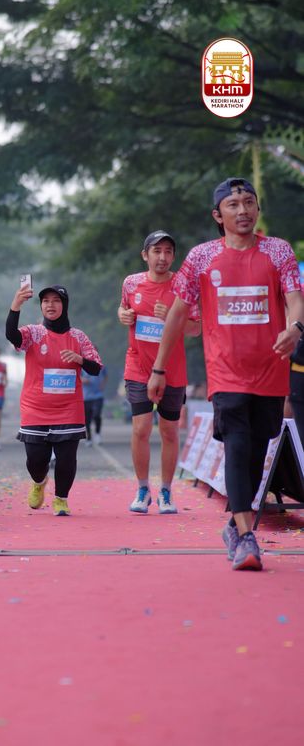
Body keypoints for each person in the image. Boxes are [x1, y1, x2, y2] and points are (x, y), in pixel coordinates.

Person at [147, 177, 304, 571]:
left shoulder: (278, 251)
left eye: (249, 202)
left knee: (256, 449)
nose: (243, 210)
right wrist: (159, 368)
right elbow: (177, 316)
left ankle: (236, 525)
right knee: (236, 442)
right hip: (226, 371)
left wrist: (295, 328)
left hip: (270, 368)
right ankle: (247, 536)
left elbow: (295, 299)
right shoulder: (201, 258)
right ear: (218, 215)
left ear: (257, 209)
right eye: (233, 205)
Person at [119, 230, 201, 515]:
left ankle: (166, 490)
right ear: (145, 255)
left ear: (173, 256)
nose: (162, 257)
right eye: (157, 251)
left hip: (172, 369)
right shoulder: (131, 283)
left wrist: (172, 318)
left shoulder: (184, 285)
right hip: (138, 366)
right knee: (140, 428)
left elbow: (196, 328)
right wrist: (122, 315)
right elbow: (124, 310)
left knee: (168, 431)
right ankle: (143, 489)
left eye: (168, 251)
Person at [6, 283, 102, 516]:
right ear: (41, 306)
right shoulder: (33, 333)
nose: (50, 305)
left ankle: (61, 499)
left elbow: (96, 368)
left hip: (69, 408)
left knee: (66, 458)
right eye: (46, 301)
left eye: (56, 301)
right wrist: (16, 306)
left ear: (64, 305)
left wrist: (79, 359)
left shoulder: (78, 336)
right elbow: (12, 335)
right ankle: (39, 482)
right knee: (35, 460)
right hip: (35, 407)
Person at [82, 362, 107, 445]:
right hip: (86, 396)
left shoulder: (101, 365)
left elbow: (106, 376)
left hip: (98, 395)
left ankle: (97, 433)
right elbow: (77, 376)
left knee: (97, 415)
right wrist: (83, 380)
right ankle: (89, 437)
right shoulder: (82, 364)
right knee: (87, 419)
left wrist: (103, 384)